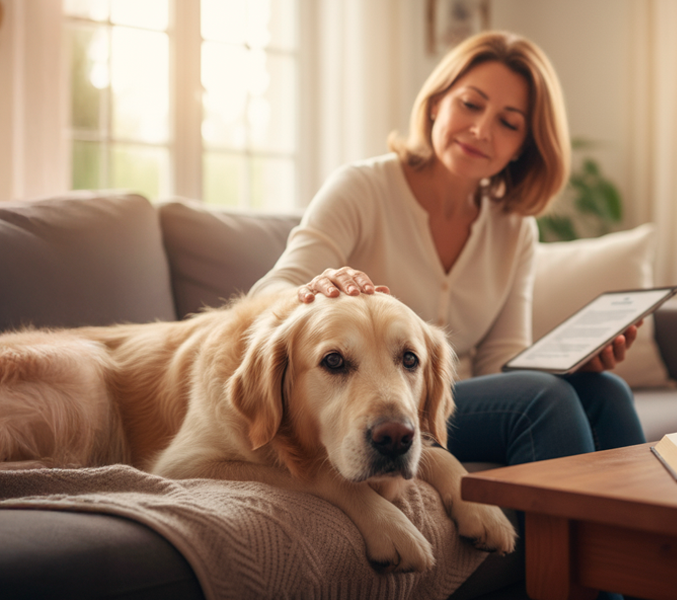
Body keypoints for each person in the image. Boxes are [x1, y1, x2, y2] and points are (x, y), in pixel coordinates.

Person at [250, 30, 644, 599]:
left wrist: (570, 366)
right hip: (380, 403)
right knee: (546, 402)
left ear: (524, 146)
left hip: (443, 397)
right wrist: (317, 286)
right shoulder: (363, 187)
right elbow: (272, 291)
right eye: (471, 103)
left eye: (509, 122)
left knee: (605, 392)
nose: (483, 129)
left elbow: (506, 361)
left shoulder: (515, 229)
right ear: (437, 103)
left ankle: (642, 577)